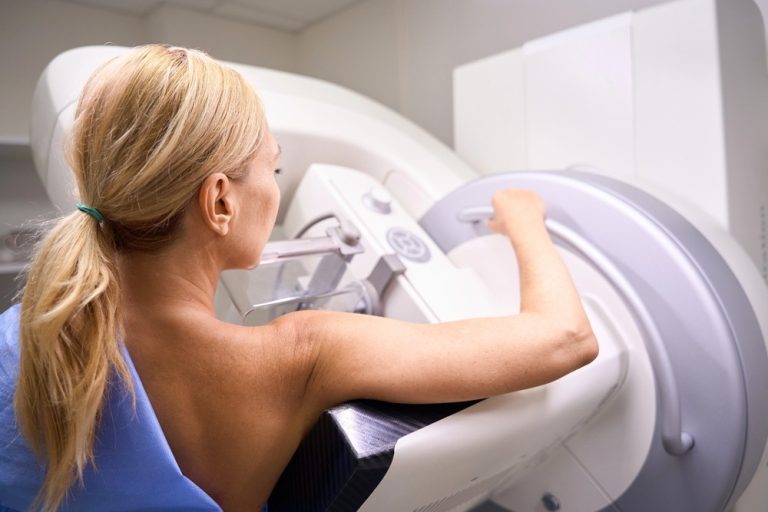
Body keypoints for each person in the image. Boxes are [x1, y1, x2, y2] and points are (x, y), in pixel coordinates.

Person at [1, 45, 597, 511]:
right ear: (220, 202)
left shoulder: (21, 340)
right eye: (274, 168)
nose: (276, 189)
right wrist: (523, 220)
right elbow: (566, 338)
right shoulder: (299, 357)